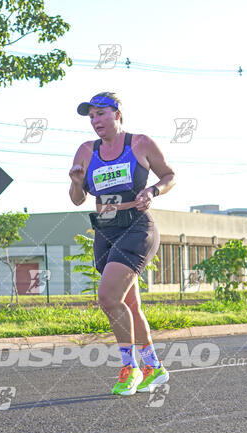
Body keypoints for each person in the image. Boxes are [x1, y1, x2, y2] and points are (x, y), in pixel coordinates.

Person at [69, 92, 176, 396]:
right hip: (105, 231)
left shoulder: (139, 143)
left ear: (117, 114)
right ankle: (153, 368)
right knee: (129, 304)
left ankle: (129, 369)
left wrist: (153, 190)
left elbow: (169, 175)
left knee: (107, 297)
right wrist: (77, 182)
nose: (95, 121)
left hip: (137, 227)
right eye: (91, 116)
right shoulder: (86, 151)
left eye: (101, 114)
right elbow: (78, 199)